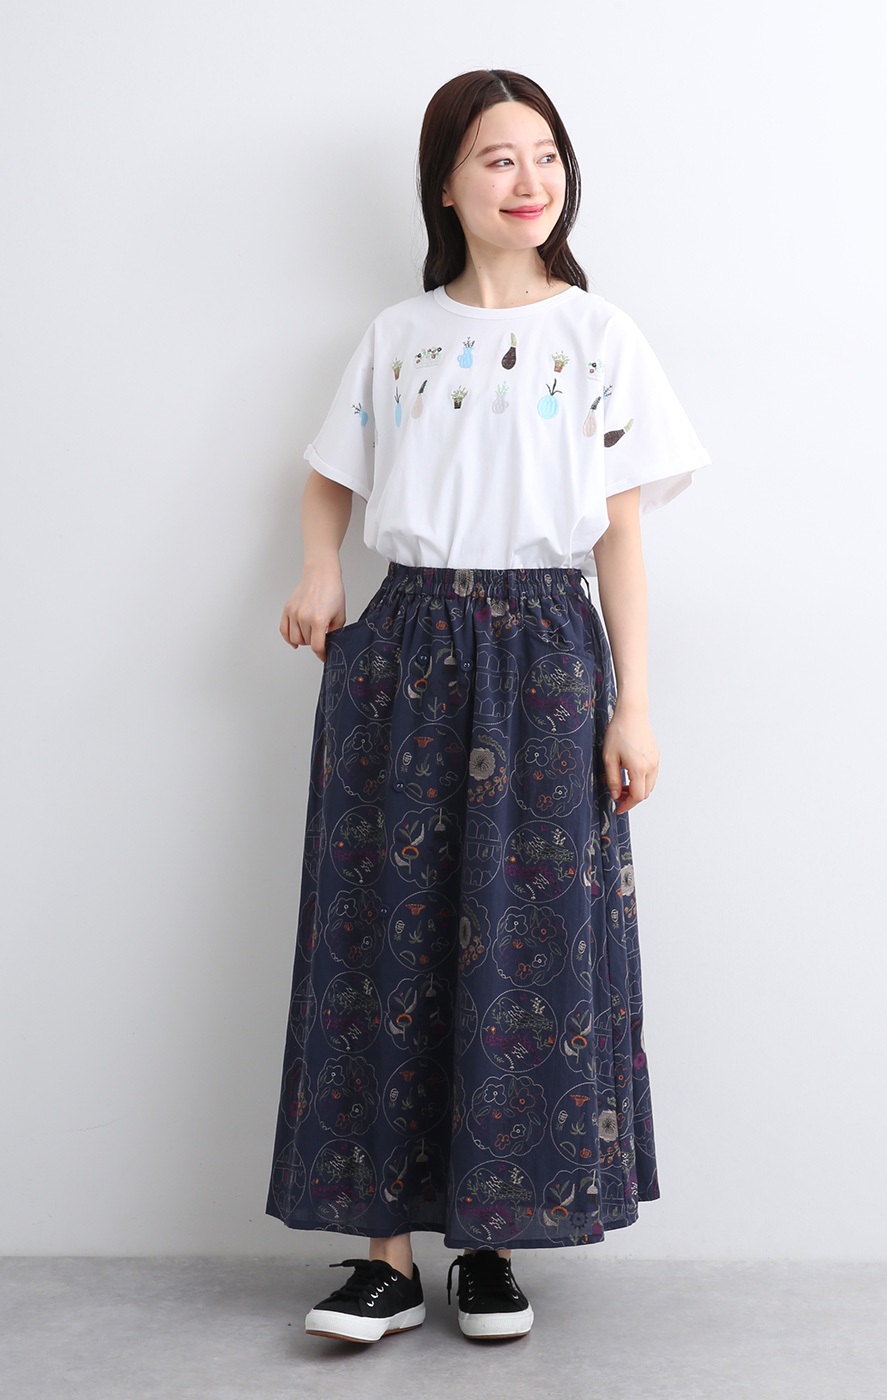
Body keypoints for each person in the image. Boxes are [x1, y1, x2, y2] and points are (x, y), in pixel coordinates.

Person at [265, 68, 712, 1346]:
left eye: (547, 154)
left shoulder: (599, 335)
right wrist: (320, 568)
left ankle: (493, 1245)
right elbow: (330, 472)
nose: (531, 180)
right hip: (405, 643)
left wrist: (634, 704)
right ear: (447, 185)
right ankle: (385, 1257)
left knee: (522, 945)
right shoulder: (398, 335)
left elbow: (620, 539)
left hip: (549, 654)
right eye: (499, 157)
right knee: (383, 940)